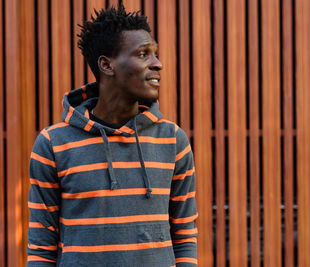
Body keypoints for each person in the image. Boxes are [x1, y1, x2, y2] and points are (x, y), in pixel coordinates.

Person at [26, 5, 197, 266]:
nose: (157, 64)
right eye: (143, 54)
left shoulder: (173, 140)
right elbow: (41, 248)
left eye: (155, 54)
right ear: (107, 65)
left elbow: (184, 237)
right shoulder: (52, 143)